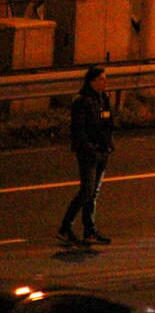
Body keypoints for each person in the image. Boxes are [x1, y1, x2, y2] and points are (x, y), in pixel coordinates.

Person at [58, 65, 114, 246]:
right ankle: (65, 227)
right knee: (87, 190)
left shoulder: (103, 99)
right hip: (89, 153)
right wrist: (90, 148)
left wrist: (108, 145)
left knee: (93, 193)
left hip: (102, 151)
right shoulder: (82, 102)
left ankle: (89, 231)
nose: (105, 82)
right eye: (101, 79)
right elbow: (79, 130)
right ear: (92, 81)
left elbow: (107, 123)